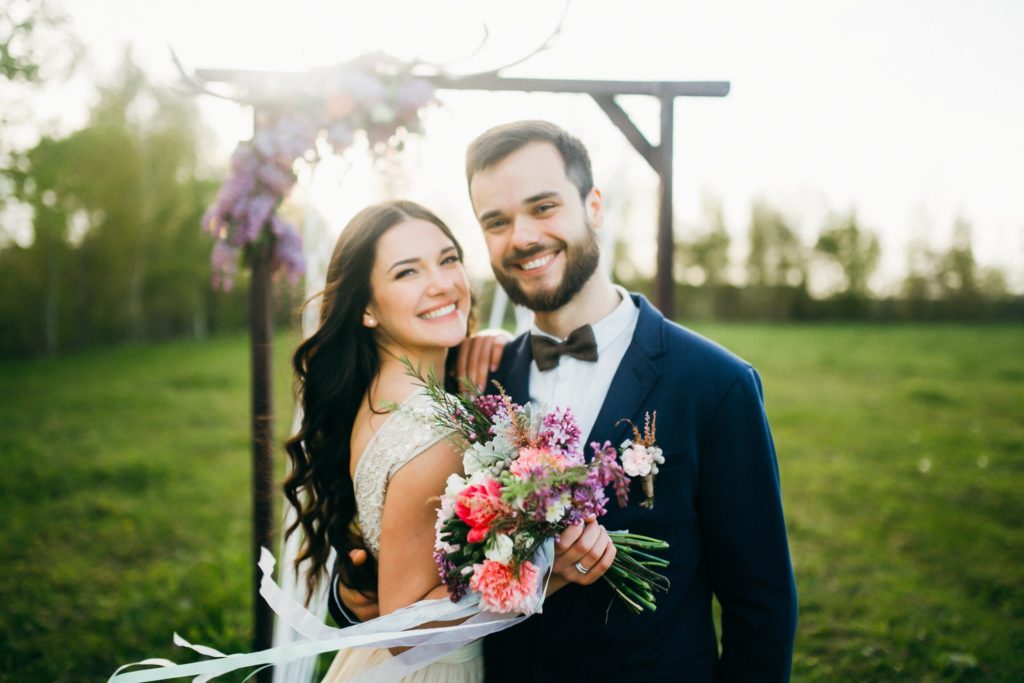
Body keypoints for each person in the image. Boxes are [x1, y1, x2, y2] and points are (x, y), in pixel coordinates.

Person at [283, 199, 617, 682]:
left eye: (447, 259)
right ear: (367, 308)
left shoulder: (384, 396)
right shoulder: (432, 431)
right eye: (407, 273)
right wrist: (546, 569)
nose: (442, 283)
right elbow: (405, 633)